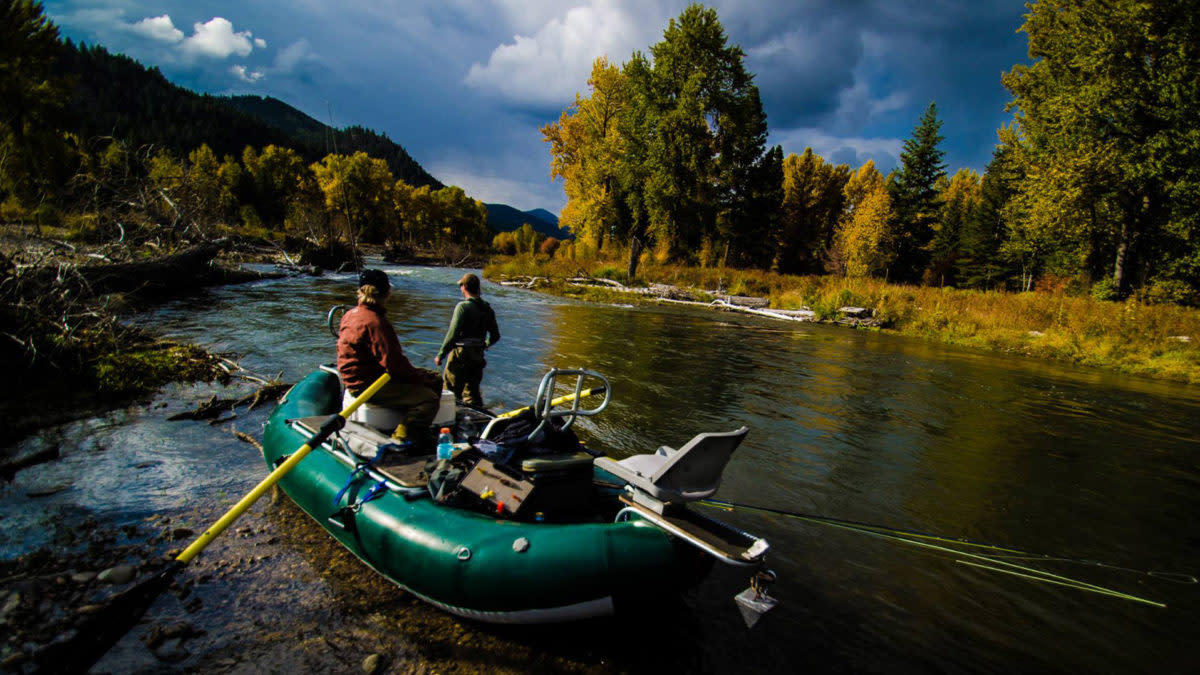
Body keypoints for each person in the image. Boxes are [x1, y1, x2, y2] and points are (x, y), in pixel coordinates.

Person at [337, 269, 441, 444]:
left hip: (358, 377)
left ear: (360, 291)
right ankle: (400, 440)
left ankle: (417, 426)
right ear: (385, 293)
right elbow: (394, 364)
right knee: (429, 399)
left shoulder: (350, 315)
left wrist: (422, 378)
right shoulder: (375, 323)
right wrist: (421, 380)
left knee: (436, 378)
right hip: (368, 384)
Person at [435, 273, 500, 408]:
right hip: (478, 354)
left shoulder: (463, 307)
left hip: (461, 354)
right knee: (472, 393)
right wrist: (484, 345)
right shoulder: (488, 309)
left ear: (464, 287)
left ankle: (450, 421)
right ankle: (478, 420)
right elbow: (495, 336)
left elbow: (452, 334)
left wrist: (441, 354)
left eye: (461, 286)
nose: (460, 289)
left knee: (450, 391)